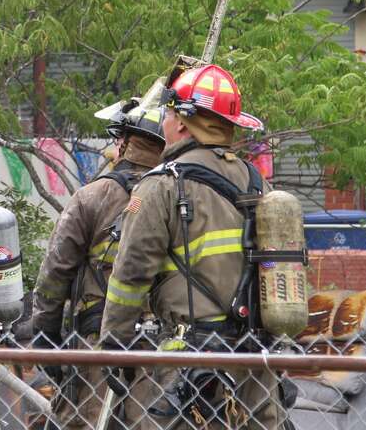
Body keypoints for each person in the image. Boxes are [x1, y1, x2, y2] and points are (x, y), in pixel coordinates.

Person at [100, 63, 284, 429]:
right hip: (255, 364)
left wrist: (112, 347)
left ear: (182, 123)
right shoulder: (256, 183)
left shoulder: (161, 186)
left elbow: (130, 275)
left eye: (168, 115)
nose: (165, 123)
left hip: (190, 369)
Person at [31, 101, 166, 428]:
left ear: (125, 142)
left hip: (99, 340)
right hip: (164, 343)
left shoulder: (94, 196)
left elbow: (55, 272)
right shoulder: (177, 195)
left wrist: (45, 333)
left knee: (88, 421)